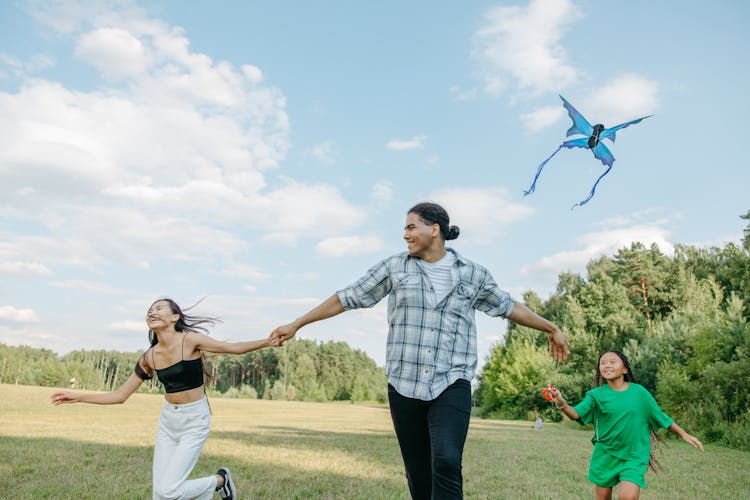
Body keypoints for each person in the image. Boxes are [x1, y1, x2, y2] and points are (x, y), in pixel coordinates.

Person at [270, 202, 569, 500]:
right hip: (404, 382)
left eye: (411, 227)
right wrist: (298, 323)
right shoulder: (395, 267)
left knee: (447, 461)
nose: (405, 235)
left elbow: (508, 306)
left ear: (434, 230)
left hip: (452, 380)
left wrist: (550, 327)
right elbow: (348, 297)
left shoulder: (473, 274)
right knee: (418, 472)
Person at [52, 298, 273, 500]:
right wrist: (78, 396)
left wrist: (268, 341)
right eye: (150, 310)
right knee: (160, 495)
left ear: (174, 317)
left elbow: (232, 348)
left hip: (195, 420)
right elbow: (119, 396)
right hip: (168, 422)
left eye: (158, 308)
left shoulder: (190, 341)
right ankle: (217, 484)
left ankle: (220, 481)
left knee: (168, 491)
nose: (152, 312)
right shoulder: (150, 357)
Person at [548, 350, 704, 500]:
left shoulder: (640, 393)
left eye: (612, 362)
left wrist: (684, 434)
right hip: (605, 455)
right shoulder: (595, 395)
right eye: (603, 363)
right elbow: (575, 414)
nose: (607, 365)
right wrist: (561, 402)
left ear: (624, 369)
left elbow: (661, 416)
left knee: (627, 497)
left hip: (634, 455)